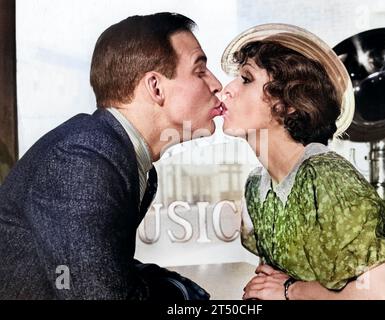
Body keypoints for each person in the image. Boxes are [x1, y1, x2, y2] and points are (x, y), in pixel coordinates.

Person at [0, 12, 223, 300]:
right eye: (200, 70)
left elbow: (99, 267)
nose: (217, 84)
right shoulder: (84, 158)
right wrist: (180, 294)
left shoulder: (122, 157)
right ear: (155, 87)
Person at [220, 24, 385, 300]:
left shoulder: (325, 174)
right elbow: (270, 281)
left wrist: (291, 290)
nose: (226, 90)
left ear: (290, 102)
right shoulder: (256, 185)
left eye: (246, 78)